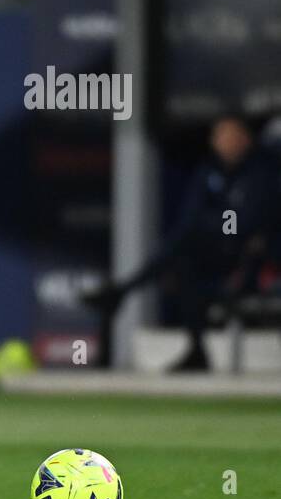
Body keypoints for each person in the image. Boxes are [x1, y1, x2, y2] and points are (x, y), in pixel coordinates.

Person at [84, 114, 279, 371]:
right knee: (183, 264)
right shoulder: (209, 171)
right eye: (219, 136)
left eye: (230, 135)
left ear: (245, 139)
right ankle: (197, 351)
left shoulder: (259, 173)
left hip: (248, 261)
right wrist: (220, 219)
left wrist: (218, 220)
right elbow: (192, 217)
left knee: (186, 243)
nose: (223, 141)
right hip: (212, 254)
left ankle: (122, 291)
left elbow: (240, 224)